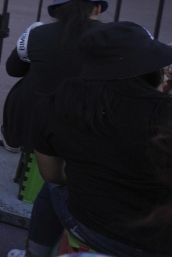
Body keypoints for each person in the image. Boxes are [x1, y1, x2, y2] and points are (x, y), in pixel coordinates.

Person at [31, 22, 172, 257]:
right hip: (159, 243)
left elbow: (52, 174)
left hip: (90, 229)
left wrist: (90, 171)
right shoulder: (163, 114)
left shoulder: (54, 105)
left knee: (52, 188)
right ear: (150, 68)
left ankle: (34, 252)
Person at [3, 0, 106, 257]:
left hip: (34, 123)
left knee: (53, 186)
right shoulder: (112, 37)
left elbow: (13, 69)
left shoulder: (37, 34)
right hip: (90, 125)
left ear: (57, 11)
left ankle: (35, 250)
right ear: (96, 8)